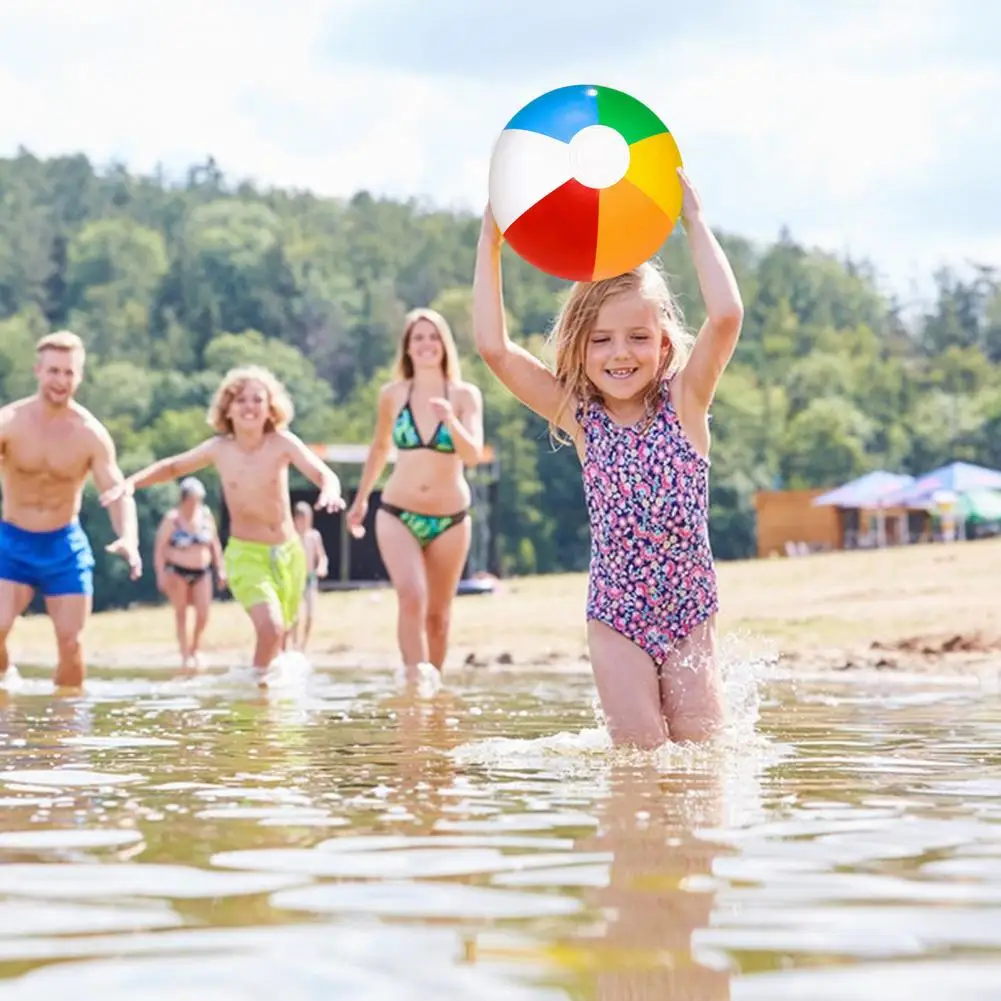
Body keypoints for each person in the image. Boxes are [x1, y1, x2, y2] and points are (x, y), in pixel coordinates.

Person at [473, 169, 743, 749]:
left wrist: (694, 222)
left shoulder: (686, 400)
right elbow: (495, 349)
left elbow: (725, 318)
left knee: (703, 755)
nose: (621, 354)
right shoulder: (580, 415)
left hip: (690, 610)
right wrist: (491, 242)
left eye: (637, 338)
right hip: (615, 613)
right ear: (579, 348)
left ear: (664, 343)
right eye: (601, 340)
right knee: (642, 760)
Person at [100, 365, 345, 676]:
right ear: (227, 408)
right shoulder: (220, 449)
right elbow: (173, 467)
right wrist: (130, 483)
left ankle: (271, 708)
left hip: (288, 554)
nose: (249, 406)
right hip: (247, 555)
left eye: (258, 399)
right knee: (269, 628)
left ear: (271, 408)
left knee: (281, 637)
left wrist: (331, 490)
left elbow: (323, 474)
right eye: (241, 399)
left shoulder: (282, 443)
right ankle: (256, 696)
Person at [345, 308, 484, 691]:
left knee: (438, 617)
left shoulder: (464, 395)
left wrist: (450, 420)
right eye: (417, 338)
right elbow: (378, 449)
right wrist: (359, 501)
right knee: (411, 596)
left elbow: (472, 455)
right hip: (397, 512)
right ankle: (412, 686)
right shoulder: (393, 395)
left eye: (433, 337)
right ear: (407, 347)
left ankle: (433, 689)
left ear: (444, 344)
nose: (426, 344)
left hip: (451, 520)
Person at [0, 331, 142, 688]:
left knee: (71, 643)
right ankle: (4, 683)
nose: (61, 380)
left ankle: (65, 733)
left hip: (64, 545)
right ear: (38, 371)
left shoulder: (89, 434)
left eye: (69, 372)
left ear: (79, 376)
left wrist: (128, 537)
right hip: (12, 542)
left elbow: (116, 491)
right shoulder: (10, 422)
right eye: (54, 371)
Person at [153, 476, 225, 671]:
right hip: (177, 571)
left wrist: (221, 569)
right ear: (184, 499)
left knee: (203, 613)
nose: (195, 504)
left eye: (198, 500)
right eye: (192, 499)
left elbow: (215, 544)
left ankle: (195, 647)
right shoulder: (172, 520)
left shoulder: (206, 516)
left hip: (202, 571)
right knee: (181, 612)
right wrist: (160, 574)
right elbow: (160, 548)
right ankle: (185, 654)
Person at [292, 500, 329, 652]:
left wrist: (322, 567)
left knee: (310, 614)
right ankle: (294, 645)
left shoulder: (314, 536)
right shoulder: (291, 537)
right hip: (295, 580)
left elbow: (321, 556)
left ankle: (303, 646)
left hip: (309, 578)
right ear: (296, 519)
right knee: (295, 616)